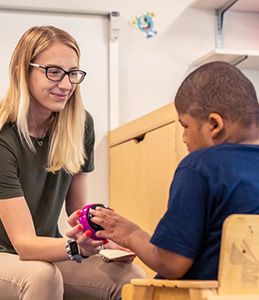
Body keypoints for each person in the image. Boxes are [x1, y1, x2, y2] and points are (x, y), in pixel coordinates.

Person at [0, 25, 145, 300]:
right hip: (8, 255)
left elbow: (77, 211)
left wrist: (104, 238)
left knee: (131, 279)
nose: (66, 84)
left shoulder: (79, 124)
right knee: (43, 276)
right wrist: (75, 248)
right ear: (23, 70)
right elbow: (24, 245)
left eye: (72, 73)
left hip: (42, 252)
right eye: (53, 71)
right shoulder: (3, 135)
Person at [90, 61, 259, 280]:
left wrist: (131, 234)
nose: (184, 138)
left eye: (185, 126)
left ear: (214, 125)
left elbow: (171, 263)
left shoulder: (200, 166)